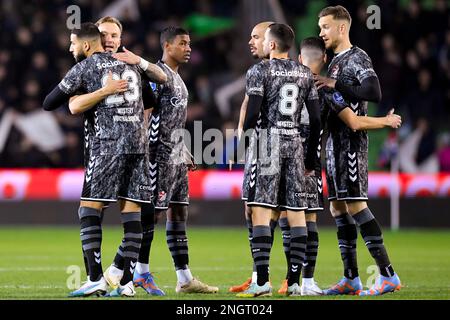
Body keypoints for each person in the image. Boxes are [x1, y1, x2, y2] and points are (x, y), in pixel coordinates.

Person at [43, 17, 166, 289]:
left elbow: (49, 103)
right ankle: (126, 284)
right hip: (138, 147)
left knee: (89, 209)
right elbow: (153, 98)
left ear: (86, 44)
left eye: (73, 43)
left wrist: (97, 94)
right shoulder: (131, 65)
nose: (70, 48)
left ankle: (95, 279)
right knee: (132, 214)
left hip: (106, 147)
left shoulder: (85, 67)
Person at [114, 26, 218, 294]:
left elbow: (172, 121)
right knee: (153, 214)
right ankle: (140, 272)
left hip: (175, 156)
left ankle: (185, 279)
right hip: (157, 155)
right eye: (183, 43)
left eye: (190, 44)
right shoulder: (155, 77)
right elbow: (145, 114)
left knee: (179, 211)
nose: (189, 48)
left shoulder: (179, 80)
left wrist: (182, 148)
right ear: (167, 46)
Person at [315, 5, 402, 296]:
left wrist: (334, 83)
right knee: (338, 207)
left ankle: (388, 275)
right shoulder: (335, 62)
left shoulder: (357, 57)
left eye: (325, 27)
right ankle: (351, 277)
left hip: (351, 144)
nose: (321, 32)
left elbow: (373, 92)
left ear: (342, 27)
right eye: (319, 27)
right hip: (333, 145)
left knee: (355, 205)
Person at [236, 23, 321, 297]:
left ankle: (261, 281)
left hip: (268, 142)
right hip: (296, 143)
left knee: (260, 208)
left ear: (272, 44)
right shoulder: (305, 73)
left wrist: (248, 140)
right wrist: (309, 156)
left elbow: (254, 110)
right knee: (296, 213)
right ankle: (295, 282)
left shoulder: (260, 70)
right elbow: (316, 119)